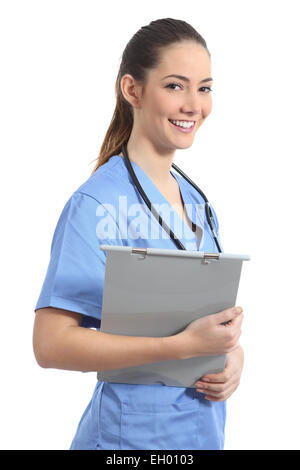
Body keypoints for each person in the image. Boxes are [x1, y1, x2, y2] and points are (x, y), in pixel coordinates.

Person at [33, 17, 244, 450]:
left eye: (204, 88)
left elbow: (202, 321)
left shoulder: (198, 202)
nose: (193, 104)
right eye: (174, 86)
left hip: (200, 434)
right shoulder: (95, 205)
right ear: (133, 91)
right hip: (129, 442)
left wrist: (233, 358)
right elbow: (49, 345)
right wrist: (179, 347)